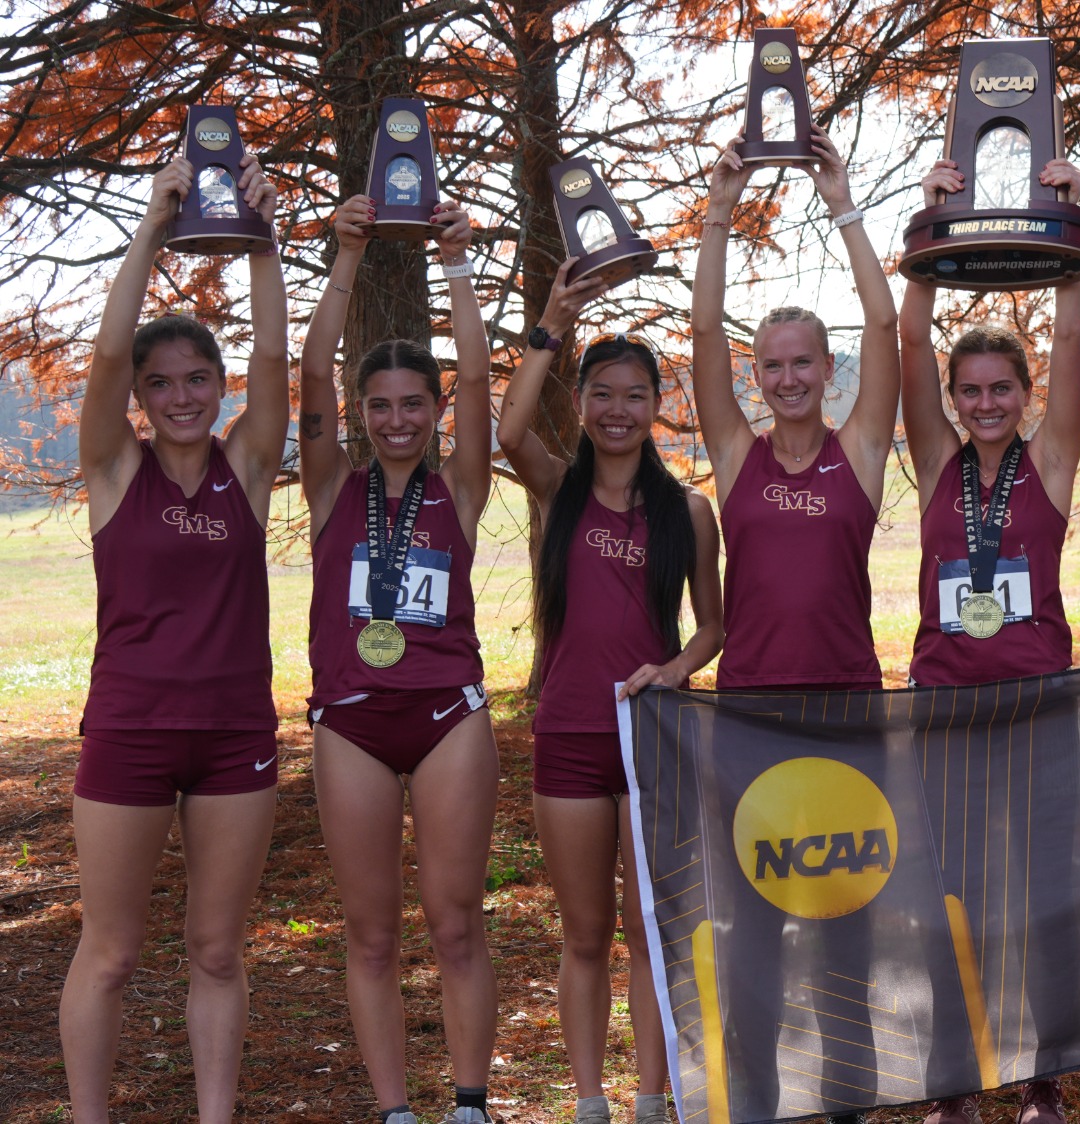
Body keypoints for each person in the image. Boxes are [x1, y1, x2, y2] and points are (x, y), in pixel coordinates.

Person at [60, 155, 286, 1124]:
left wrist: (267, 243)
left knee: (216, 948)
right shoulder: (115, 468)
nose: (182, 396)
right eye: (164, 384)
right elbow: (106, 359)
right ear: (144, 396)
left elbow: (280, 364)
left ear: (218, 385)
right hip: (131, 727)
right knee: (109, 949)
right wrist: (154, 227)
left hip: (234, 731)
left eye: (199, 379)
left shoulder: (247, 465)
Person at [497, 263, 724, 1124]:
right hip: (568, 734)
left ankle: (651, 1098)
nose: (618, 410)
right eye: (601, 394)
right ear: (585, 403)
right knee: (584, 931)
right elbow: (511, 426)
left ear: (655, 405)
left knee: (649, 929)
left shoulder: (687, 512)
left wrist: (672, 673)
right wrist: (550, 323)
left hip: (653, 737)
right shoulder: (559, 490)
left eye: (634, 395)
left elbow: (714, 626)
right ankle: (589, 1098)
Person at [298, 192, 501, 1124]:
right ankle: (394, 1111)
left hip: (446, 713)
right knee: (371, 933)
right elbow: (307, 374)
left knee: (456, 924)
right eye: (377, 406)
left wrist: (457, 262)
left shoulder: (458, 484)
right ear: (359, 414)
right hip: (350, 719)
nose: (395, 420)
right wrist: (345, 254)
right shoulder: (332, 482)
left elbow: (478, 379)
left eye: (413, 404)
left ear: (434, 409)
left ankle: (467, 1104)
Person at [900, 156, 1080, 1124]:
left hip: (1037, 707)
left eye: (998, 388)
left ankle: (1040, 1077)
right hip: (945, 708)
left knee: (1039, 896)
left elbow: (1069, 330)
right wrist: (928, 230)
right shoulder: (933, 459)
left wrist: (1065, 220)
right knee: (955, 899)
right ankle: (952, 1079)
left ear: (1022, 392)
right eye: (968, 389)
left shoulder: (1049, 459)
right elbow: (905, 339)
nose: (983, 403)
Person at [691, 125, 897, 693]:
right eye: (773, 367)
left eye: (803, 363)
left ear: (829, 368)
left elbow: (883, 324)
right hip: (751, 702)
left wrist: (843, 206)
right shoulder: (737, 457)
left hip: (847, 697)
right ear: (755, 376)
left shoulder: (858, 452)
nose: (789, 380)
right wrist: (719, 211)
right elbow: (705, 331)